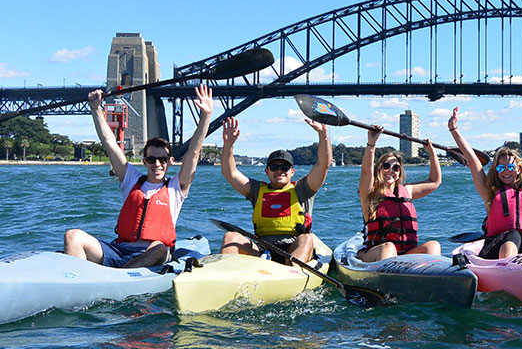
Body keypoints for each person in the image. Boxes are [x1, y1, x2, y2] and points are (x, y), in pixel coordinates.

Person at [63, 85, 214, 268]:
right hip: (119, 250)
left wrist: (205, 116)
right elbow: (109, 143)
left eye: (162, 160)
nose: (157, 164)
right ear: (144, 162)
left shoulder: (177, 188)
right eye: (151, 159)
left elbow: (194, 151)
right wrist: (95, 109)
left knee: (160, 248)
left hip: (152, 254)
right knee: (73, 235)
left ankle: (120, 276)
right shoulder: (130, 179)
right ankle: (75, 282)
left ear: (170, 161)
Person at [448, 104, 522, 259]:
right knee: (513, 234)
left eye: (510, 167)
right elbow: (472, 159)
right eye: (501, 168)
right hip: (495, 249)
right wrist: (454, 129)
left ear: (519, 169)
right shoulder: (490, 191)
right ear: (496, 171)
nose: (506, 171)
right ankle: (507, 268)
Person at [218, 116, 332, 264]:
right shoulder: (256, 190)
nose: (280, 171)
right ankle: (226, 277)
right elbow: (230, 173)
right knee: (230, 237)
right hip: (262, 249)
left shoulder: (303, 189)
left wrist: (323, 135)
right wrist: (228, 145)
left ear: (292, 172)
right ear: (266, 171)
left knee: (306, 238)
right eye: (274, 167)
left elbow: (324, 165)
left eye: (285, 168)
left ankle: (292, 274)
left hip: (293, 248)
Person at [357, 127, 442, 261]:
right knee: (388, 248)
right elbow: (366, 172)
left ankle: (430, 279)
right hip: (375, 253)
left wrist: (432, 152)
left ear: (399, 174)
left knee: (433, 246)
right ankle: (387, 280)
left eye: (396, 168)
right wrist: (371, 144)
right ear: (379, 169)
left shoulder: (407, 191)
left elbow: (435, 181)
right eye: (386, 166)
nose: (391, 170)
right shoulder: (369, 193)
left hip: (404, 256)